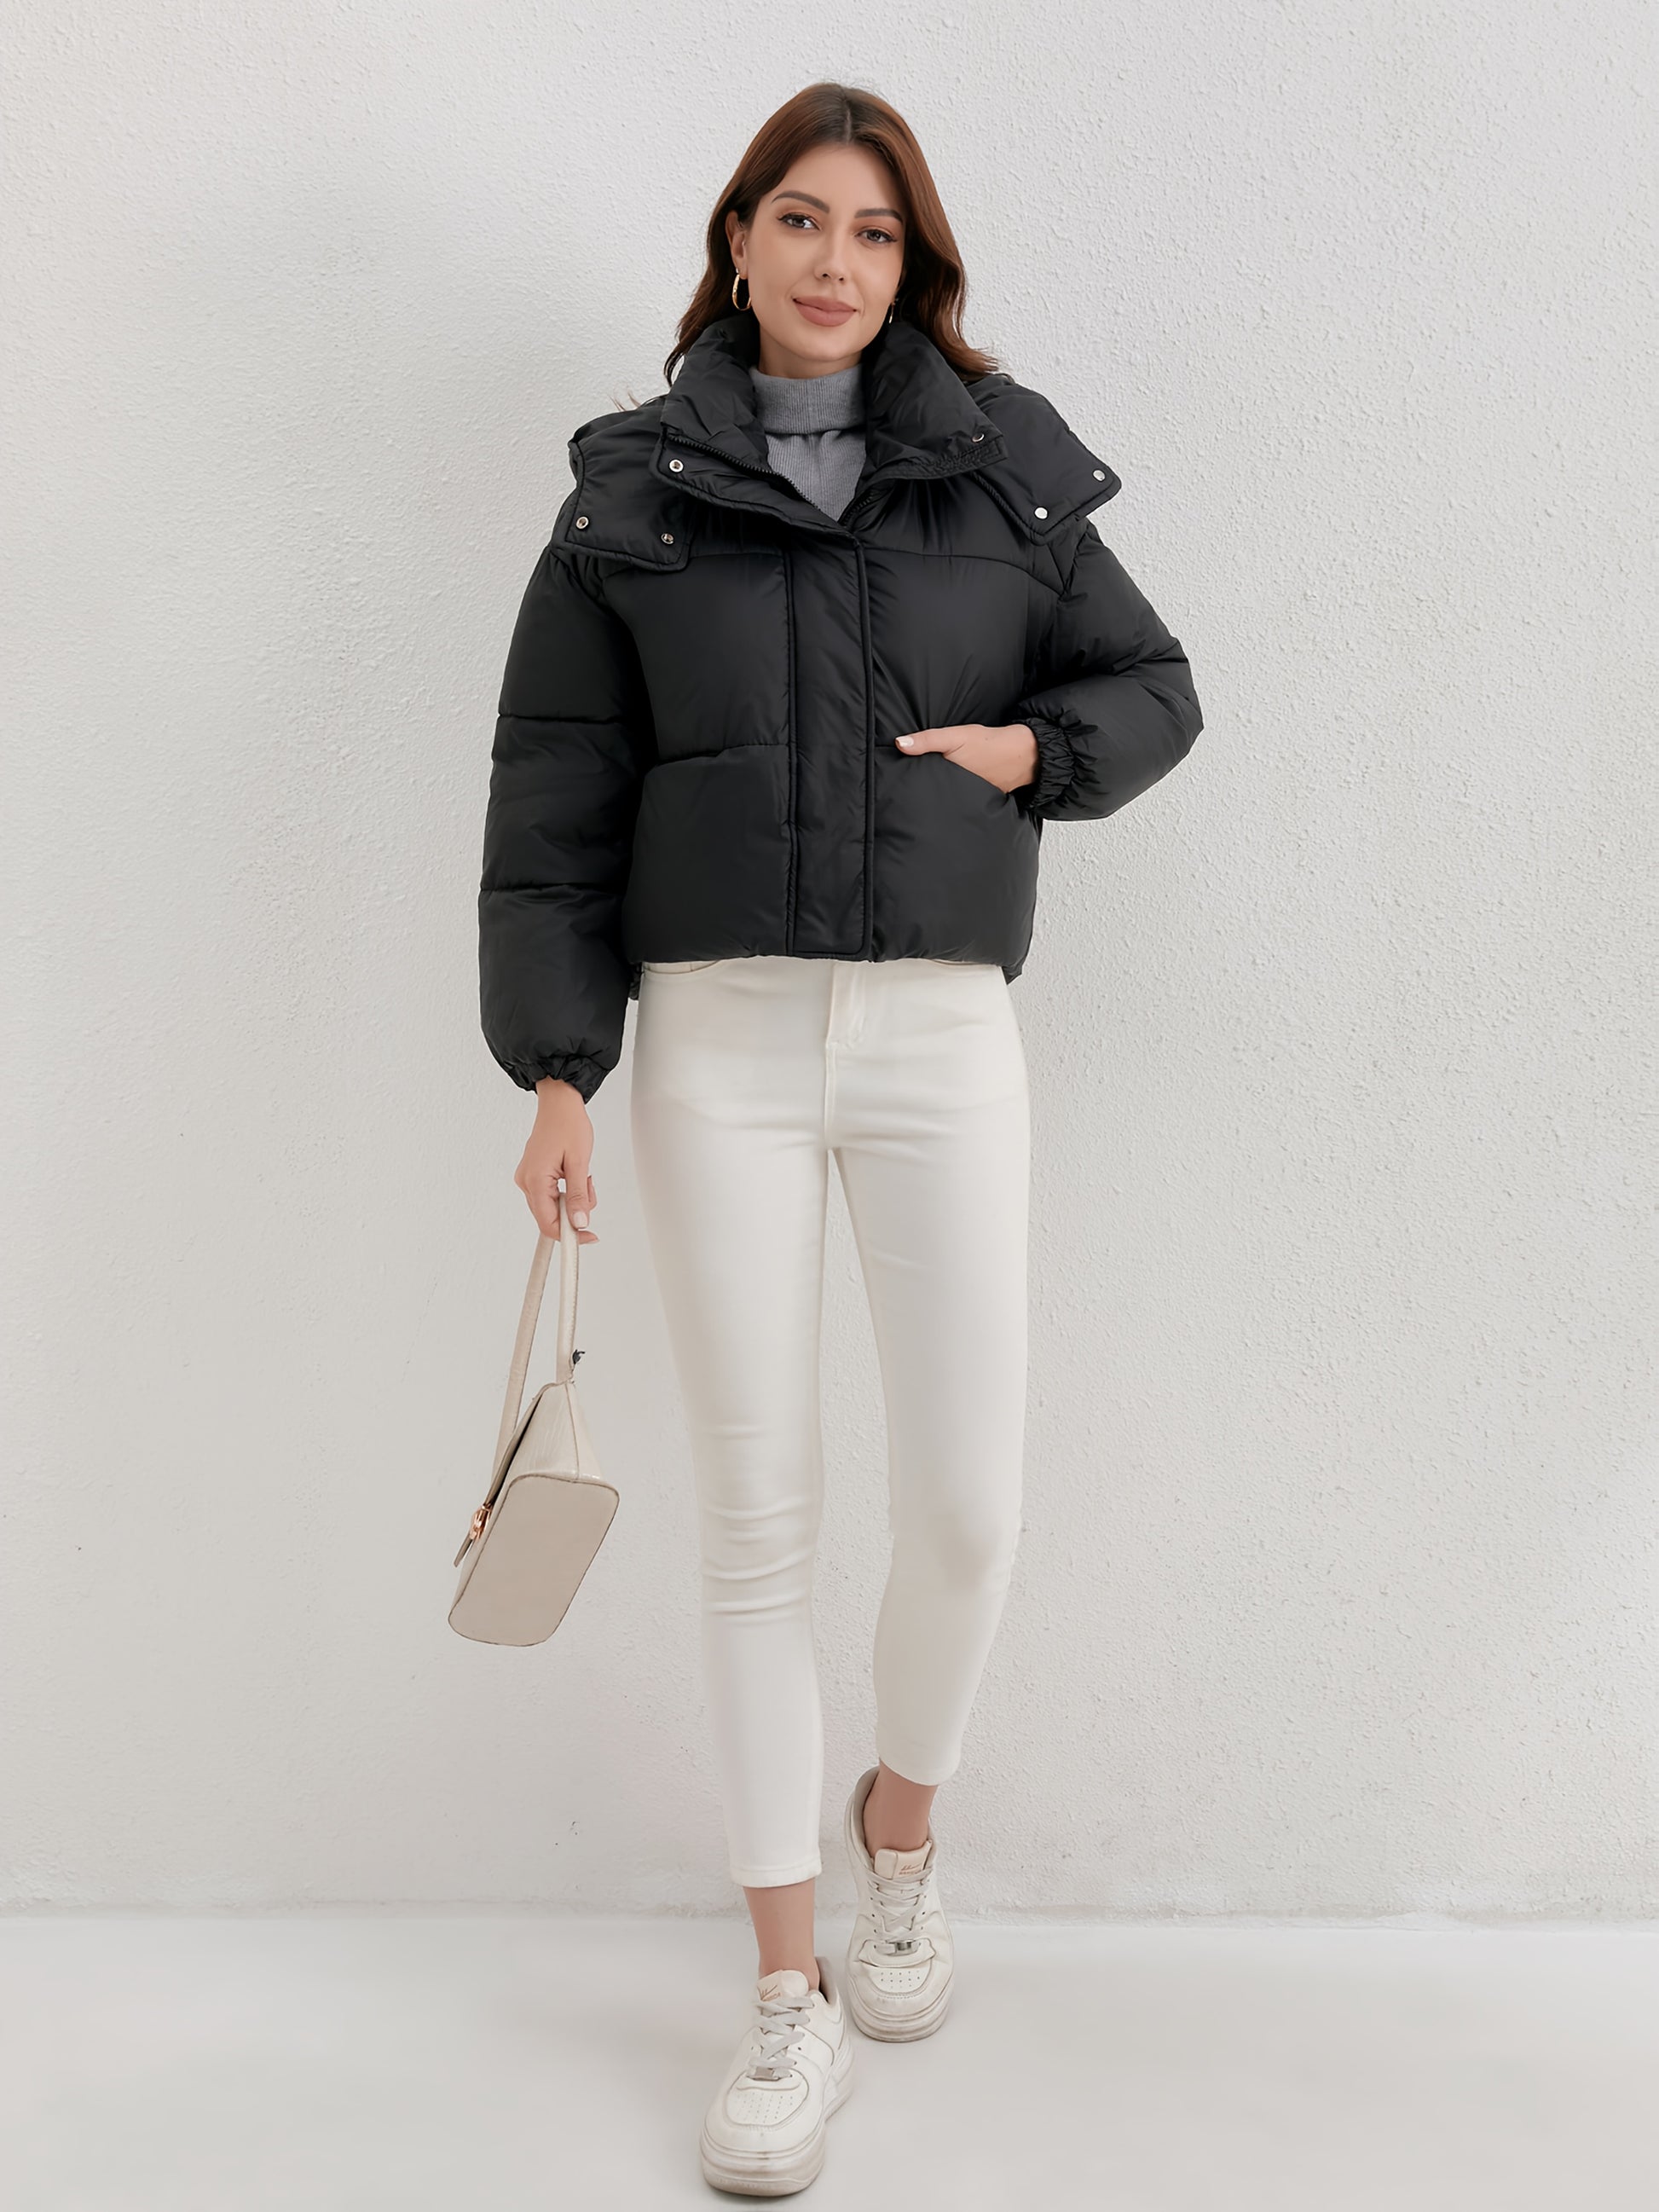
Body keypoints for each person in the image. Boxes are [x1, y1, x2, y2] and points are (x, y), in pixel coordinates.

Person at [477, 79, 1203, 2199]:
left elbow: (1154, 684)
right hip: (714, 1041)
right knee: (760, 1524)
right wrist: (557, 1066)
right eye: (798, 219)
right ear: (738, 240)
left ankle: (904, 1824)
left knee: (968, 1504)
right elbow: (551, 794)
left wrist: (1032, 752)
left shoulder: (1002, 466)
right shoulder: (631, 494)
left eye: (873, 233)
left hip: (938, 1035)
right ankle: (784, 1989)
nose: (832, 261)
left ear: (914, 265)